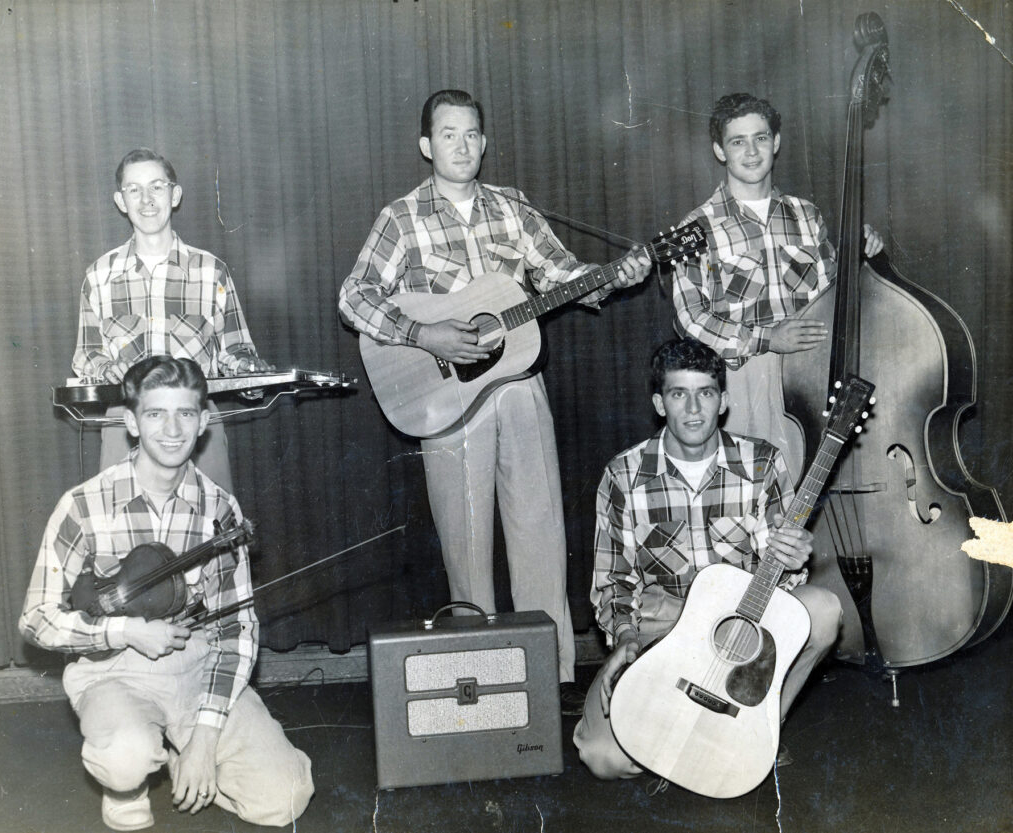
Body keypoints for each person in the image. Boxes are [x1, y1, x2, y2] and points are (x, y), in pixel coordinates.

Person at [339, 89, 651, 710]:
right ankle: (480, 689)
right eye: (448, 134)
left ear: (484, 142)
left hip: (520, 387)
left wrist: (613, 276)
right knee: (467, 545)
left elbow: (562, 276)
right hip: (447, 400)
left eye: (472, 134)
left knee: (539, 530)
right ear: (427, 146)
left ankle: (554, 681)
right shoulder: (400, 217)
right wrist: (423, 333)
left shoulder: (513, 208)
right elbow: (354, 296)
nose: (462, 145)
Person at [19, 356, 313, 831]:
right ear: (132, 423)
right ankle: (128, 784)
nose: (172, 429)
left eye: (186, 413)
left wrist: (203, 737)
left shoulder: (220, 508)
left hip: (196, 667)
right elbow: (36, 618)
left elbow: (237, 631)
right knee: (125, 756)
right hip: (114, 672)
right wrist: (124, 631)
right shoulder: (84, 505)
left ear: (203, 422)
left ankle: (184, 753)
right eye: (156, 414)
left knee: (285, 797)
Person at [573, 337, 842, 780]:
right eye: (679, 394)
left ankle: (758, 732)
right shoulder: (623, 474)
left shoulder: (762, 463)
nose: (694, 409)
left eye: (706, 393)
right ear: (660, 403)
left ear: (724, 401)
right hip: (663, 627)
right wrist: (624, 637)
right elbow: (614, 579)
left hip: (738, 625)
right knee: (606, 759)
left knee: (824, 611)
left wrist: (792, 559)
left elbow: (784, 581)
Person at [671, 93, 883, 481]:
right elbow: (691, 321)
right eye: (738, 141)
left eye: (761, 138)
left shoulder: (806, 215)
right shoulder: (696, 228)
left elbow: (835, 294)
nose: (751, 152)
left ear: (777, 142)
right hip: (745, 383)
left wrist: (861, 254)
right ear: (720, 150)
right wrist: (767, 339)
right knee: (760, 502)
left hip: (814, 377)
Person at [72, 148, 273, 492]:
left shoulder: (212, 272)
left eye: (157, 187)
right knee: (124, 539)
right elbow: (87, 356)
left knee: (212, 537)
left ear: (175, 194)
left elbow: (235, 352)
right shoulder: (99, 276)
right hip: (125, 421)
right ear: (121, 201)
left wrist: (252, 373)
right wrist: (108, 369)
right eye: (134, 190)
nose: (147, 200)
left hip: (196, 424)